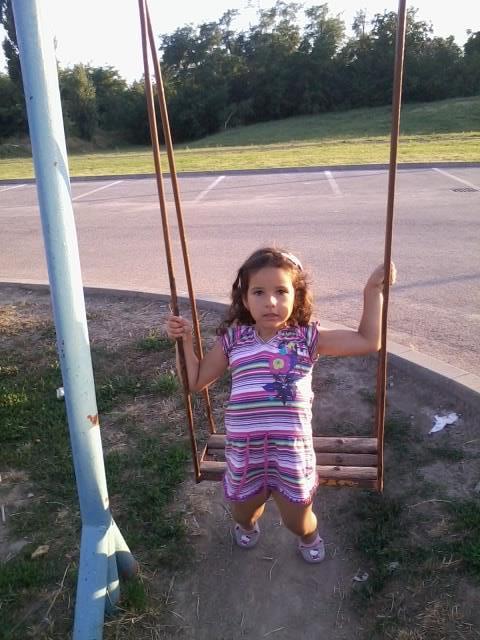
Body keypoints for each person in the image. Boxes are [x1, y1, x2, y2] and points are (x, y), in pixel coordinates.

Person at [166, 247, 396, 564]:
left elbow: (367, 340)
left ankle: (309, 536)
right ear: (245, 299)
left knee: (297, 520)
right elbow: (195, 381)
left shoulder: (306, 338)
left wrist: (372, 291)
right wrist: (185, 342)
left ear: (296, 296)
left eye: (281, 291)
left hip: (290, 452)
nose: (270, 302)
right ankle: (248, 525)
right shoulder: (234, 340)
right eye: (259, 292)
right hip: (246, 451)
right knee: (244, 511)